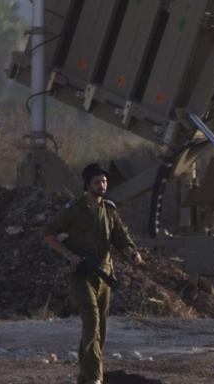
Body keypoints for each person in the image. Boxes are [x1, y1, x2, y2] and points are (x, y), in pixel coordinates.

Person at [45, 163, 144, 384]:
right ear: (88, 185)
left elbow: (120, 237)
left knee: (101, 329)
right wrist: (68, 254)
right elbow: (49, 234)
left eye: (105, 181)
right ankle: (94, 377)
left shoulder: (109, 210)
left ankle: (85, 374)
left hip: (105, 275)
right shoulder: (74, 209)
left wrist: (132, 253)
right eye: (98, 182)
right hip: (81, 275)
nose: (102, 186)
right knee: (91, 320)